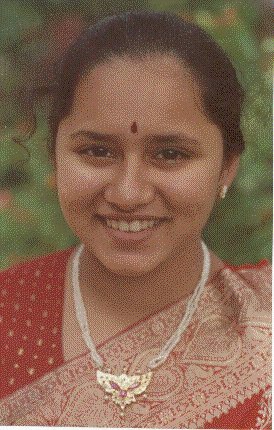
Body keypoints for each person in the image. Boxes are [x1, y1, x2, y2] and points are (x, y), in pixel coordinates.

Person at [0, 11, 271, 428]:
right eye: (97, 151)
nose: (128, 194)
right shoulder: (8, 315)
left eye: (170, 154)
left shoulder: (265, 339)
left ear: (227, 168)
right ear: (55, 154)